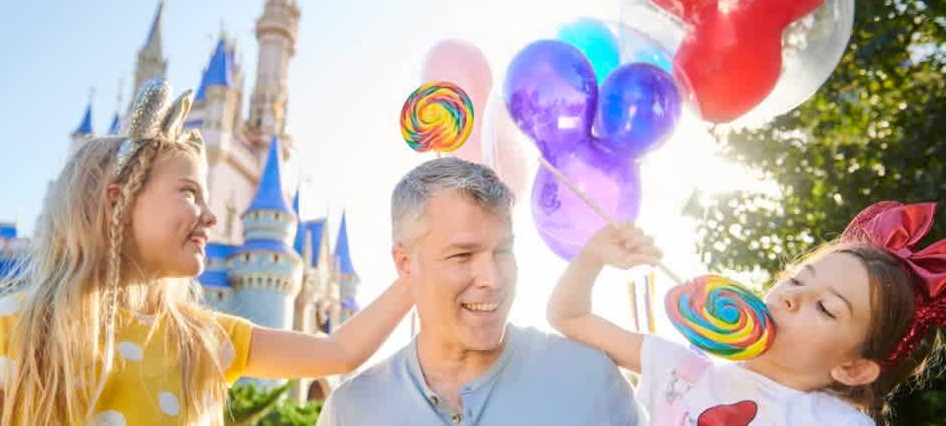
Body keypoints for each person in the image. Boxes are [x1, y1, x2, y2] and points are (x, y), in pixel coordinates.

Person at [0, 79, 412, 425]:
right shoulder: (14, 329)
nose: (210, 216)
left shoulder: (201, 338)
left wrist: (417, 272)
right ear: (117, 200)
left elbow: (340, 352)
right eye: (188, 192)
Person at [548, 201, 946, 425]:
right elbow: (569, 317)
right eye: (795, 279)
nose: (792, 296)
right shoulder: (683, 371)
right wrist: (593, 257)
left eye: (825, 307)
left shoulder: (832, 421)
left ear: (854, 368)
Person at [318, 157, 642, 425]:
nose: (493, 279)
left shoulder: (592, 381)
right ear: (405, 264)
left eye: (502, 251)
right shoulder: (350, 411)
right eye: (462, 255)